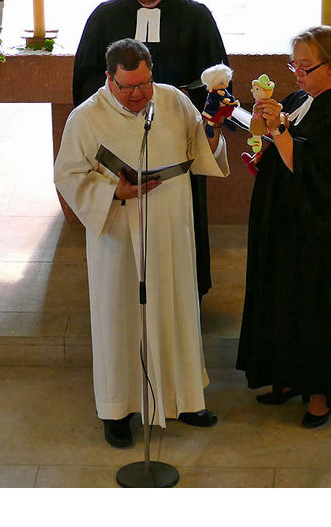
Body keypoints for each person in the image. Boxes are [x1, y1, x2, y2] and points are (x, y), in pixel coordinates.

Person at [54, 38, 230, 448]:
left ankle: (185, 399)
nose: (138, 96)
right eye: (127, 87)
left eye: (144, 85)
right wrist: (114, 193)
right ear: (108, 80)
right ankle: (118, 410)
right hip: (119, 235)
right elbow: (69, 176)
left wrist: (213, 128)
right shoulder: (85, 118)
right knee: (121, 320)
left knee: (176, 307)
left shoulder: (172, 101)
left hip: (170, 225)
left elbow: (200, 151)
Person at [72, 0, 228, 300]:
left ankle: (186, 292)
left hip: (177, 145)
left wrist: (193, 105)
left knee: (181, 233)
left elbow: (218, 82)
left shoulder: (196, 17)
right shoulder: (105, 17)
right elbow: (84, 83)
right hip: (120, 150)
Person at [235, 25, 331, 429]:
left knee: (316, 310)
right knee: (285, 300)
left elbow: (315, 172)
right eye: (294, 63)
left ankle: (321, 393)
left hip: (321, 236)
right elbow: (284, 148)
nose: (297, 73)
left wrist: (278, 132)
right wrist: (263, 145)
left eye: (305, 67)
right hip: (288, 226)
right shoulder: (299, 98)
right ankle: (290, 376)